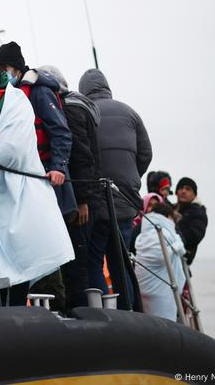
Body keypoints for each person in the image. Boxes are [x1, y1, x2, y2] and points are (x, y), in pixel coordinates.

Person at [0, 42, 74, 307]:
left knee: (46, 245)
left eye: (5, 68)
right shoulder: (8, 97)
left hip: (45, 180)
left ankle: (58, 310)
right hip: (21, 185)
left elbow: (60, 131)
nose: (3, 74)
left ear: (17, 67)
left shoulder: (39, 92)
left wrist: (59, 167)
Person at [79, 68, 152, 309]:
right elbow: (146, 154)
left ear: (84, 91)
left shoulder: (85, 112)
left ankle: (104, 314)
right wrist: (131, 181)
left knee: (94, 260)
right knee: (120, 261)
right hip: (126, 200)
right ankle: (129, 311)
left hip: (98, 200)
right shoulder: (130, 113)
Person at [39, 65, 102, 311]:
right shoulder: (79, 105)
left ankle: (79, 315)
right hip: (83, 194)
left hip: (80, 196)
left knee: (76, 264)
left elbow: (81, 157)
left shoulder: (70, 109)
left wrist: (83, 200)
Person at [134, 202, 186, 321]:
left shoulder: (143, 235)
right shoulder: (164, 233)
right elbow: (160, 256)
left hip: (143, 287)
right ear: (168, 217)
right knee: (165, 324)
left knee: (149, 324)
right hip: (162, 293)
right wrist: (177, 245)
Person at [174, 177, 208, 265]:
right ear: (176, 192)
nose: (183, 191)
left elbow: (194, 236)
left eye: (188, 189)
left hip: (181, 261)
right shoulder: (170, 209)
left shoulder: (198, 213)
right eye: (181, 188)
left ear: (194, 195)